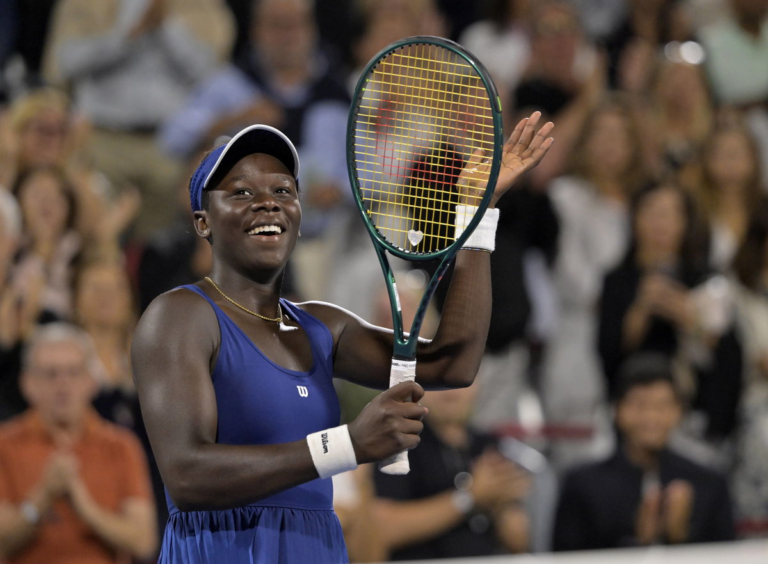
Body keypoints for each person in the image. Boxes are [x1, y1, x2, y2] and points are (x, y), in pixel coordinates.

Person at [132, 114, 554, 563]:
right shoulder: (179, 316)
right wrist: (348, 445)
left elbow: (453, 364)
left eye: (283, 191)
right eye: (241, 192)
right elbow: (188, 477)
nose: (268, 203)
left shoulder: (322, 326)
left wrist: (477, 214)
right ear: (203, 222)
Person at [597, 182, 743, 449]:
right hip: (633, 412)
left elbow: (728, 356)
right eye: (651, 212)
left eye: (670, 214)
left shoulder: (708, 280)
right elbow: (608, 354)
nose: (659, 223)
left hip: (696, 413)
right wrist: (641, 309)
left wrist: (689, 316)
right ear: (634, 219)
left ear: (686, 223)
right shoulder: (617, 281)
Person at [0, 323, 157, 563]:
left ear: (91, 382)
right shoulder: (5, 444)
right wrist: (42, 498)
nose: (63, 384)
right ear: (27, 384)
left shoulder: (122, 446)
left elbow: (144, 541)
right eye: (51, 373)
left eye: (74, 372)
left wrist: (84, 506)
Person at [552, 353, 736, 551]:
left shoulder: (709, 484)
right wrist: (636, 541)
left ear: (679, 412)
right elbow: (566, 555)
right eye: (639, 405)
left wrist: (679, 536)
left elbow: (727, 553)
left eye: (662, 406)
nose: (651, 417)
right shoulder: (582, 485)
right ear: (617, 410)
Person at [373, 383, 532, 560]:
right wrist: (469, 497)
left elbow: (520, 542)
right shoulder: (400, 444)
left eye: (461, 383)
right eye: (439, 383)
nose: (450, 394)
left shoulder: (488, 445)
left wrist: (503, 507)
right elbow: (380, 528)